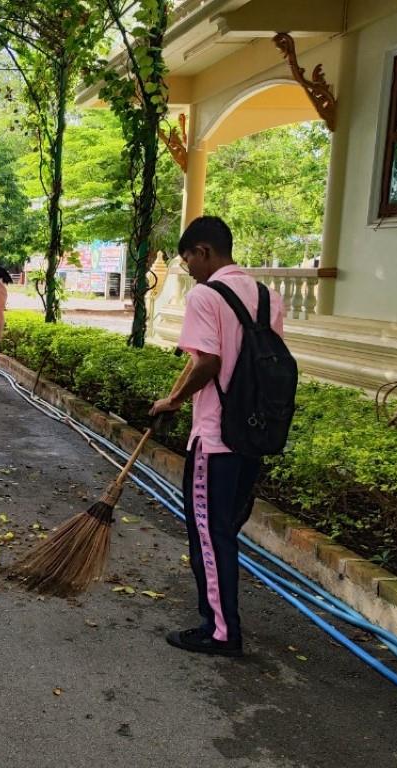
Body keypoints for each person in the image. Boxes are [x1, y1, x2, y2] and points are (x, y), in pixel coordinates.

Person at [149, 216, 285, 658]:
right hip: (253, 434)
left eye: (187, 259)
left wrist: (173, 400)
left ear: (204, 251)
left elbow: (207, 362)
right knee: (224, 529)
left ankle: (221, 631)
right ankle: (221, 622)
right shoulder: (267, 296)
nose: (188, 269)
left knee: (209, 535)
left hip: (216, 437)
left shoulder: (205, 296)